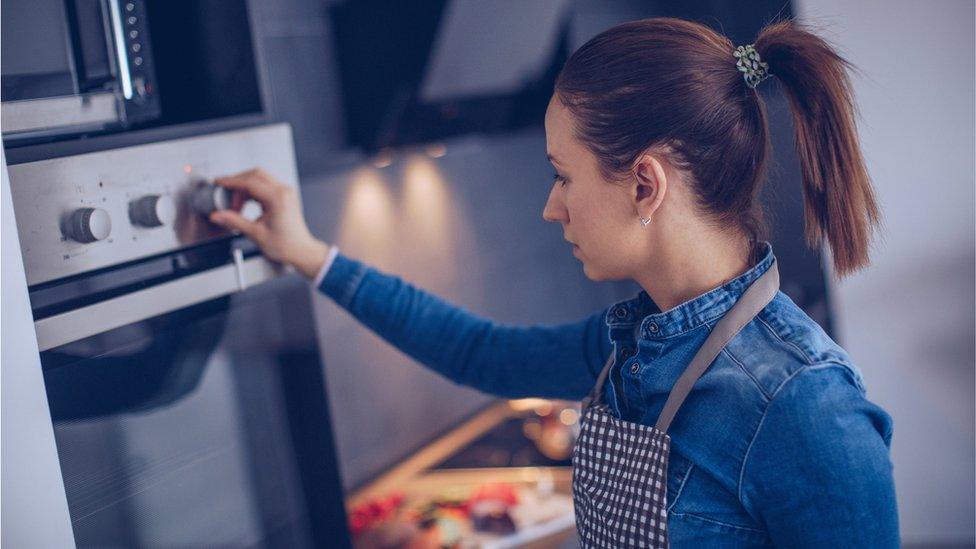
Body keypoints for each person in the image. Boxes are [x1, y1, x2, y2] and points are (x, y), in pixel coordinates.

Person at [209, 16, 899, 548]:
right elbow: (477, 350)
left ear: (644, 183)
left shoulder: (805, 408)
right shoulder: (629, 342)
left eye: (563, 174)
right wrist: (306, 254)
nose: (551, 204)